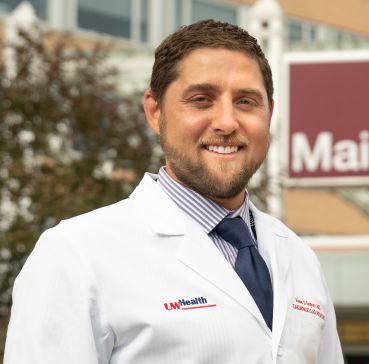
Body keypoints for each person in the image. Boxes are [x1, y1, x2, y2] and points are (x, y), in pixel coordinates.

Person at [5, 20, 344, 364]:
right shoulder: (75, 255)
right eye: (201, 100)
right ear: (155, 112)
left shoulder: (300, 259)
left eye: (245, 101)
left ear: (268, 114)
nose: (226, 122)